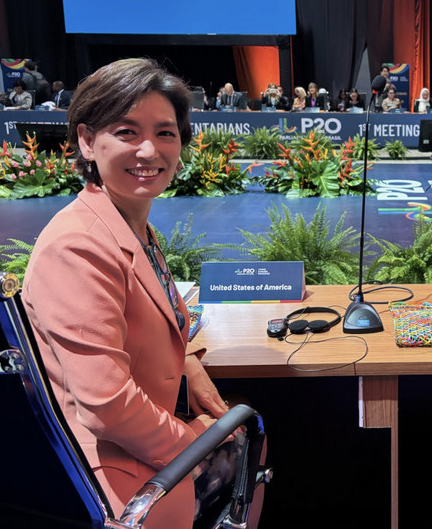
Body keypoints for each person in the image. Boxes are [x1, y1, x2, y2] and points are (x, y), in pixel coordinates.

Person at [22, 58, 262, 529]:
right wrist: (190, 448)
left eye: (165, 133)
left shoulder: (127, 225)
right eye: (127, 132)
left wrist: (188, 363)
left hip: (143, 444)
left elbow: (156, 318)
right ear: (88, 141)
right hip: (118, 474)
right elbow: (108, 406)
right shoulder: (78, 246)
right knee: (244, 438)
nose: (150, 150)